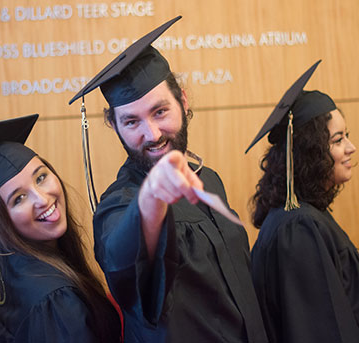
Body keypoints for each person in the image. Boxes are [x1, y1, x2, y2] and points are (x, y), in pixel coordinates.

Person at [69, 16, 269, 342]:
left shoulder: (209, 180)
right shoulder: (120, 204)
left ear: (183, 101)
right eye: (131, 122)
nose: (152, 134)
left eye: (160, 111)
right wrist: (151, 200)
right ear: (115, 126)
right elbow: (121, 260)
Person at [0, 114, 122, 342]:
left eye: (41, 177)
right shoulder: (56, 302)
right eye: (19, 198)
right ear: (2, 219)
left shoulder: (1, 252)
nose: (42, 199)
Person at [246, 61, 359, 342]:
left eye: (347, 136)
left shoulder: (304, 217)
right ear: (311, 153)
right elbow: (321, 330)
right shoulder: (298, 229)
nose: (351, 148)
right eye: (337, 140)